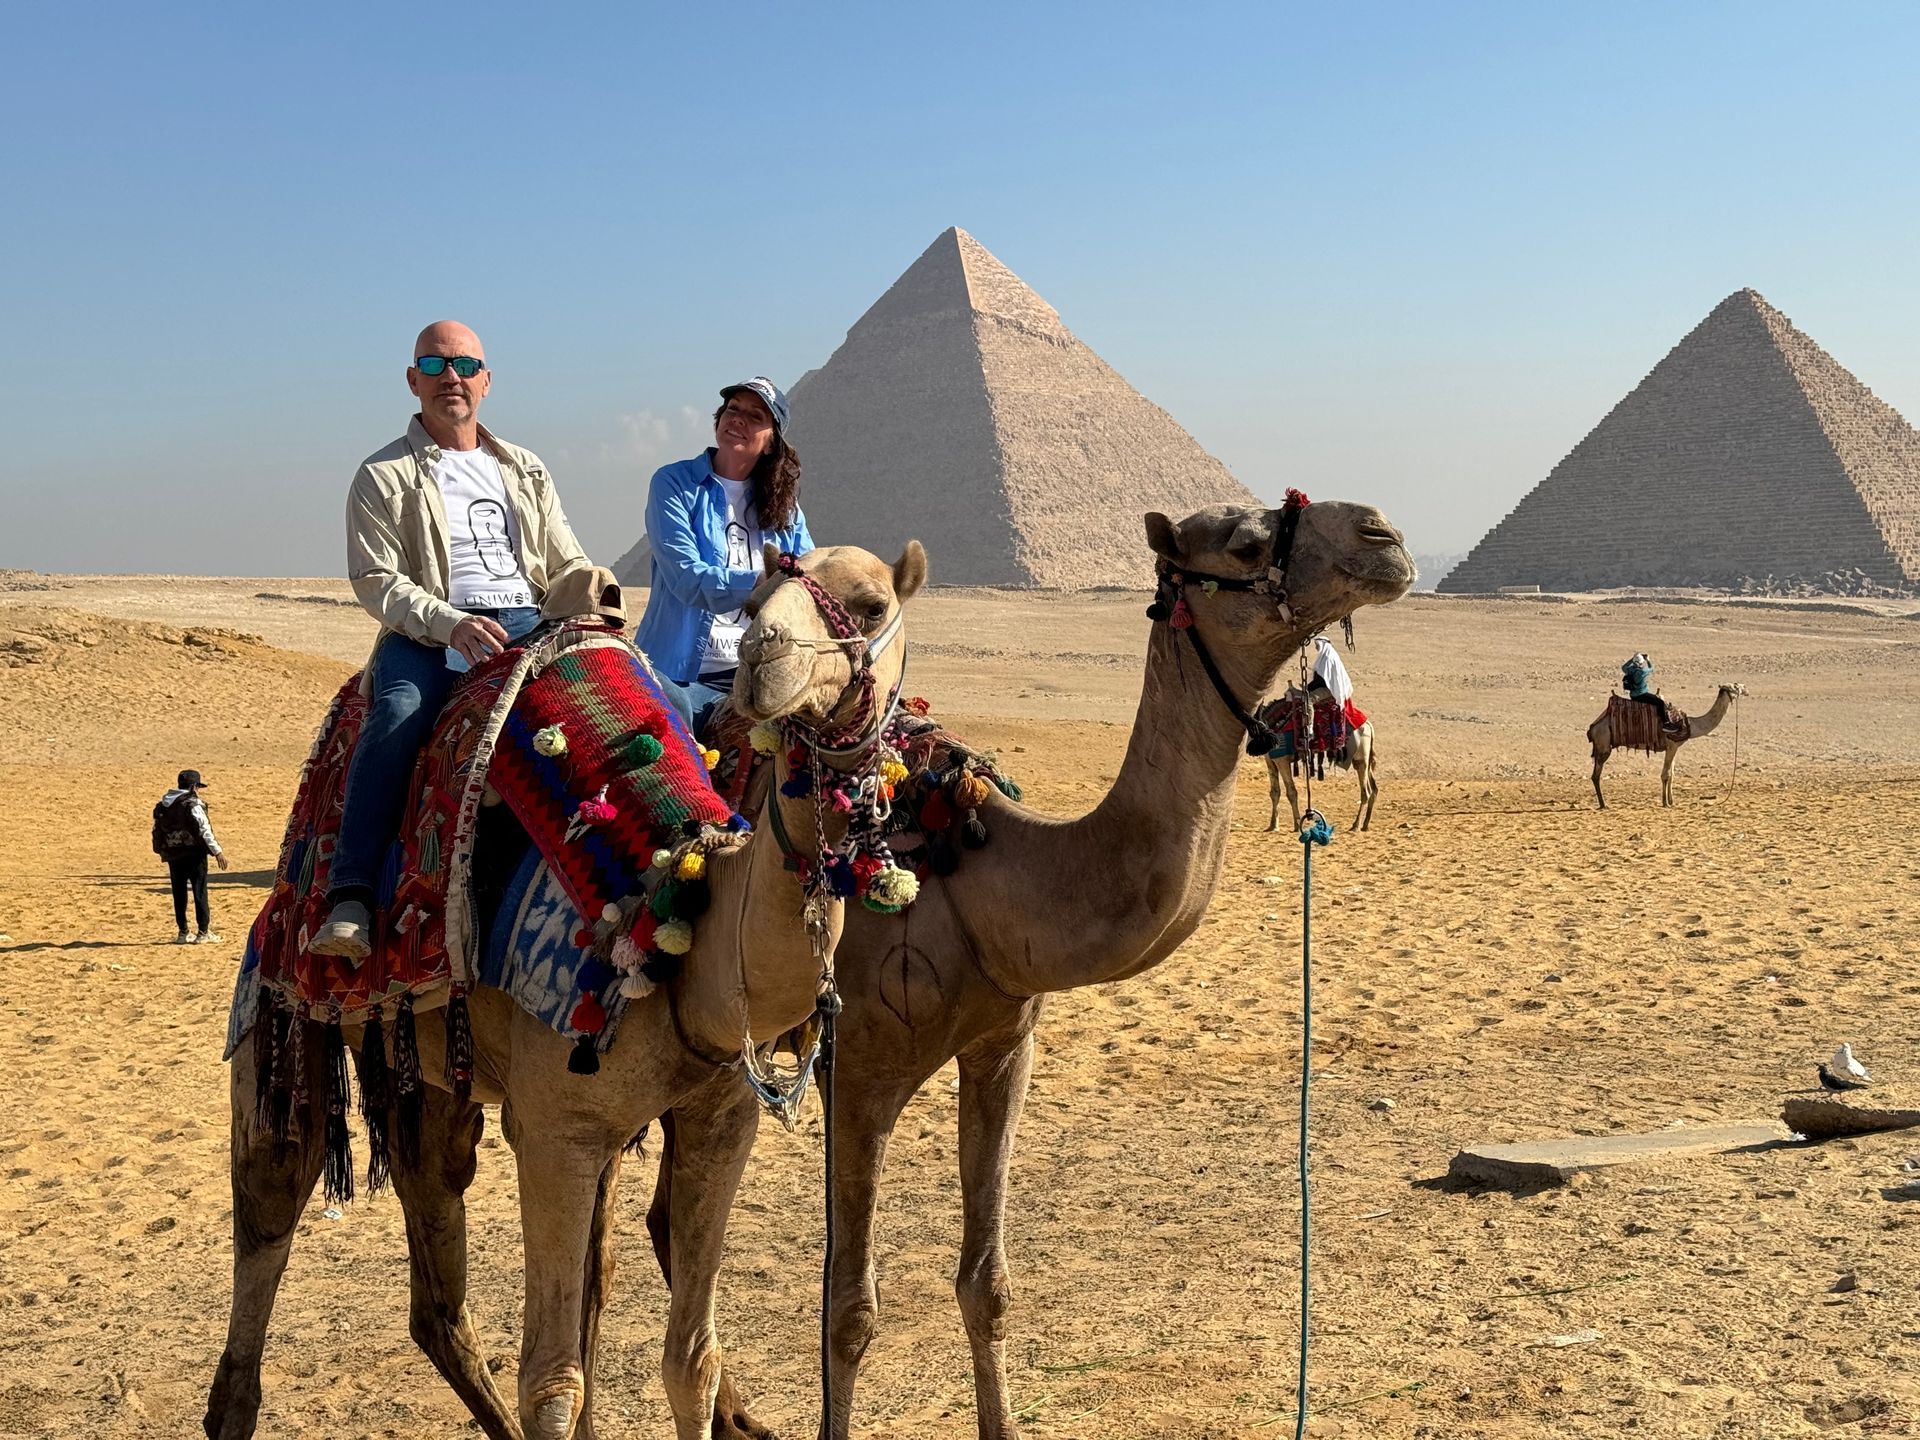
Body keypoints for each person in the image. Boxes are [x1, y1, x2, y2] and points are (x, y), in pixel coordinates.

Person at [309, 321, 592, 961]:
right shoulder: (381, 475)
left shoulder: (525, 468)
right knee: (399, 711)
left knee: (626, 696)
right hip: (430, 630)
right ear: (413, 382)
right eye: (434, 367)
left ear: (487, 382)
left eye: (464, 365)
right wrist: (449, 623)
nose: (451, 378)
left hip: (525, 618)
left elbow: (565, 559)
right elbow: (375, 579)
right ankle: (349, 894)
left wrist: (591, 596)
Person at [634, 377, 815, 733]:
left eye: (755, 415)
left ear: (770, 443)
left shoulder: (785, 509)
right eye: (733, 409)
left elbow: (809, 577)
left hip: (754, 673)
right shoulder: (674, 484)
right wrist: (765, 582)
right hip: (680, 675)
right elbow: (686, 578)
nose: (738, 419)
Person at [152, 769, 229, 943]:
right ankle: (203, 932)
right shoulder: (193, 804)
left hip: (173, 854)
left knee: (179, 893)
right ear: (193, 787)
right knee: (199, 891)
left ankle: (183, 932)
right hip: (194, 855)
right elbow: (204, 830)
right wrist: (217, 852)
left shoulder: (165, 804)